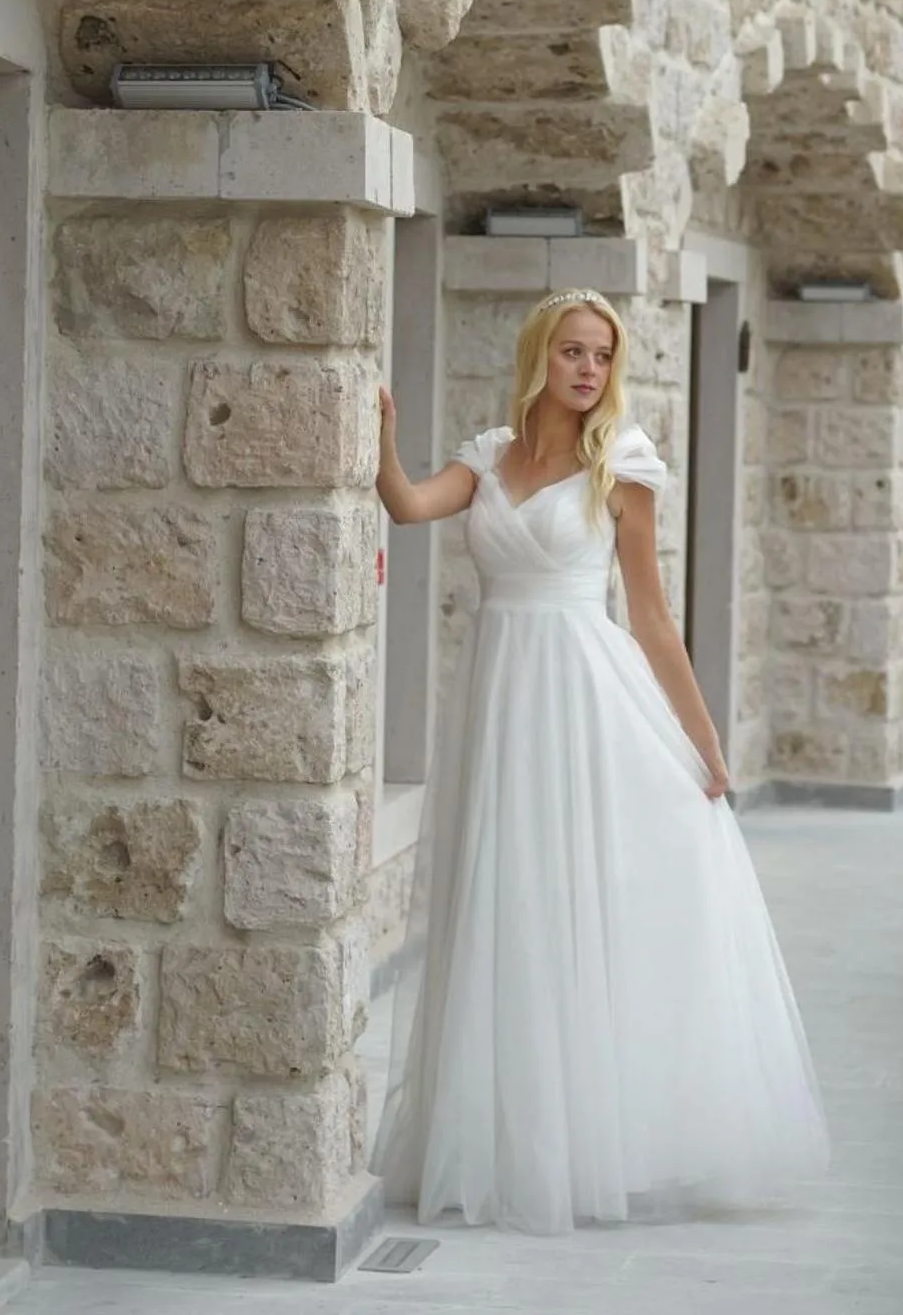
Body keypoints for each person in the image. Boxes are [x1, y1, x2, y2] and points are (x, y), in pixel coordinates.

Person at [369, 287, 828, 1235]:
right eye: (573, 351)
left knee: (568, 897)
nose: (589, 369)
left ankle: (584, 1141)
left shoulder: (621, 465)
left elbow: (651, 616)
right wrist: (378, 431)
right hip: (500, 694)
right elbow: (407, 506)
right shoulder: (487, 457)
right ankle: (504, 1137)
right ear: (540, 356)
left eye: (603, 355)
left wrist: (703, 741)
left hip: (581, 693)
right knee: (501, 899)